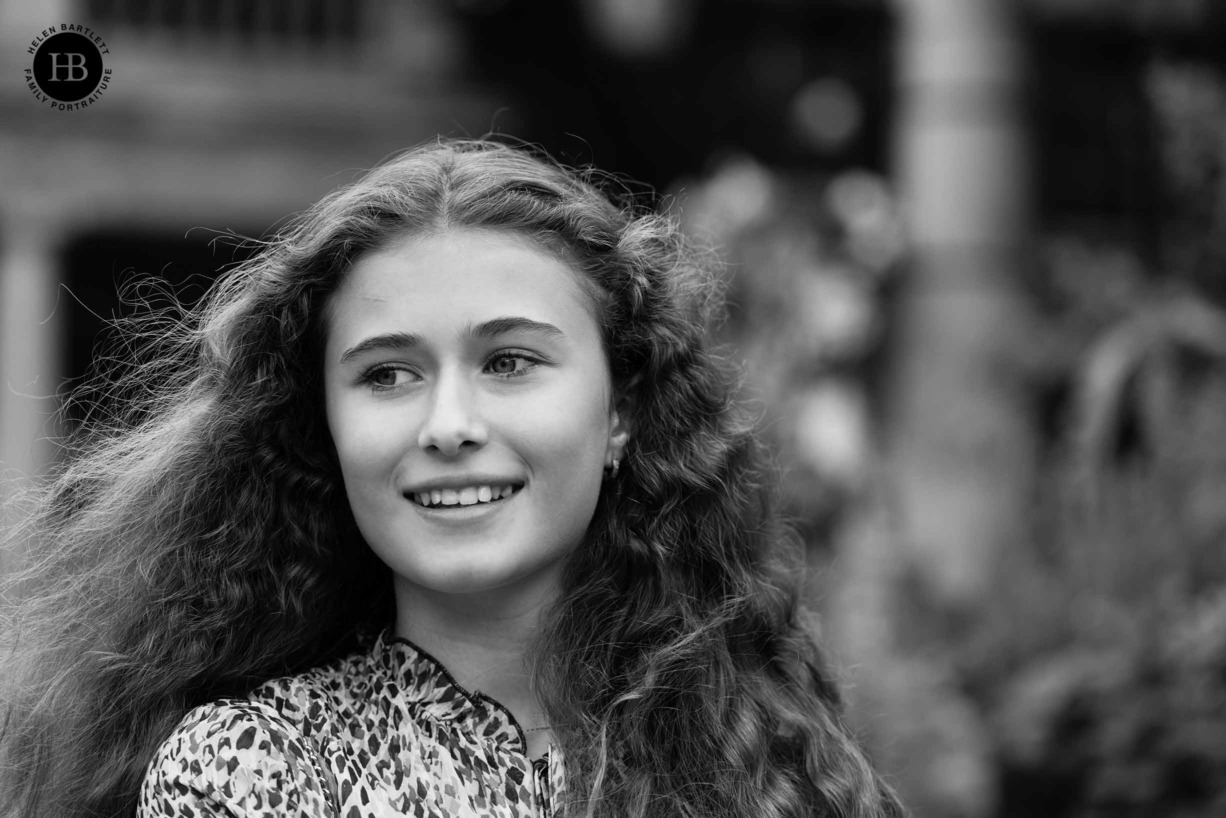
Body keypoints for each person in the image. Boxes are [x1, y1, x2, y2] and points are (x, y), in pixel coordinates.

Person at [0, 139, 904, 818]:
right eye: (387, 374)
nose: (449, 427)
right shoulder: (258, 770)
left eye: (509, 361)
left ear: (622, 410)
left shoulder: (761, 745)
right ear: (325, 427)